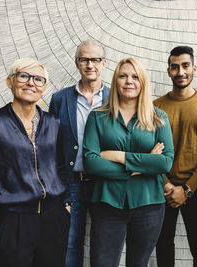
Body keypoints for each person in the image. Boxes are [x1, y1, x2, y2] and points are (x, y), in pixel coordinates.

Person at [0, 58, 71, 267]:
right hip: (12, 220)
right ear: (10, 81)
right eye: (24, 76)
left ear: (44, 88)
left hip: (53, 218)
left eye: (38, 79)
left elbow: (61, 168)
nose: (31, 83)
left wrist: (66, 203)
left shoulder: (54, 123)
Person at [82, 57, 174, 267]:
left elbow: (165, 163)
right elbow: (91, 162)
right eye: (123, 76)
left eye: (135, 77)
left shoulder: (158, 118)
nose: (129, 81)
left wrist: (117, 156)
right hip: (107, 204)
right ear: (115, 81)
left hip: (149, 205)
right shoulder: (97, 117)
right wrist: (143, 165)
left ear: (142, 82)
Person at [154, 46, 197, 267]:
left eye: (185, 66)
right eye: (175, 67)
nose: (180, 72)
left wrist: (187, 189)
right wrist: (167, 186)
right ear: (168, 71)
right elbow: (149, 150)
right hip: (161, 190)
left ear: (194, 68)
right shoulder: (155, 107)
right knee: (163, 249)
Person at [49, 39, 110, 267]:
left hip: (105, 183)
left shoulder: (115, 97)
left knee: (103, 244)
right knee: (69, 243)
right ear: (77, 63)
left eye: (95, 59)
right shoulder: (60, 99)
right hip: (71, 184)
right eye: (84, 59)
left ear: (104, 63)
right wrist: (59, 189)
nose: (90, 64)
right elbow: (52, 147)